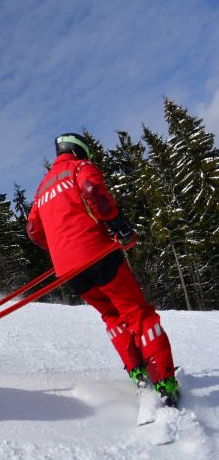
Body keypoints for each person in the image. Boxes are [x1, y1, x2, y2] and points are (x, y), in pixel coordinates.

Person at [26, 133, 179, 407]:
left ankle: (139, 375)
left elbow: (33, 231)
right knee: (138, 314)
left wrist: (62, 247)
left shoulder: (41, 190)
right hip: (97, 252)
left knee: (112, 315)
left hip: (69, 270)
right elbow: (93, 191)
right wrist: (120, 226)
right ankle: (165, 382)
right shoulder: (79, 168)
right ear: (79, 150)